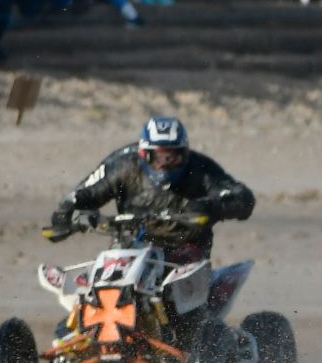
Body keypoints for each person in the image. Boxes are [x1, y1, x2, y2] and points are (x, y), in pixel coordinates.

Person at [48, 118, 255, 285]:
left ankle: (197, 322)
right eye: (157, 157)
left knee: (186, 303)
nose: (164, 164)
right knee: (91, 285)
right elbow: (85, 193)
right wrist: (66, 212)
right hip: (129, 247)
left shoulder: (202, 169)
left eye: (172, 158)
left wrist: (211, 206)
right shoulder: (121, 165)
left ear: (185, 154)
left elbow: (243, 198)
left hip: (185, 250)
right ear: (143, 154)